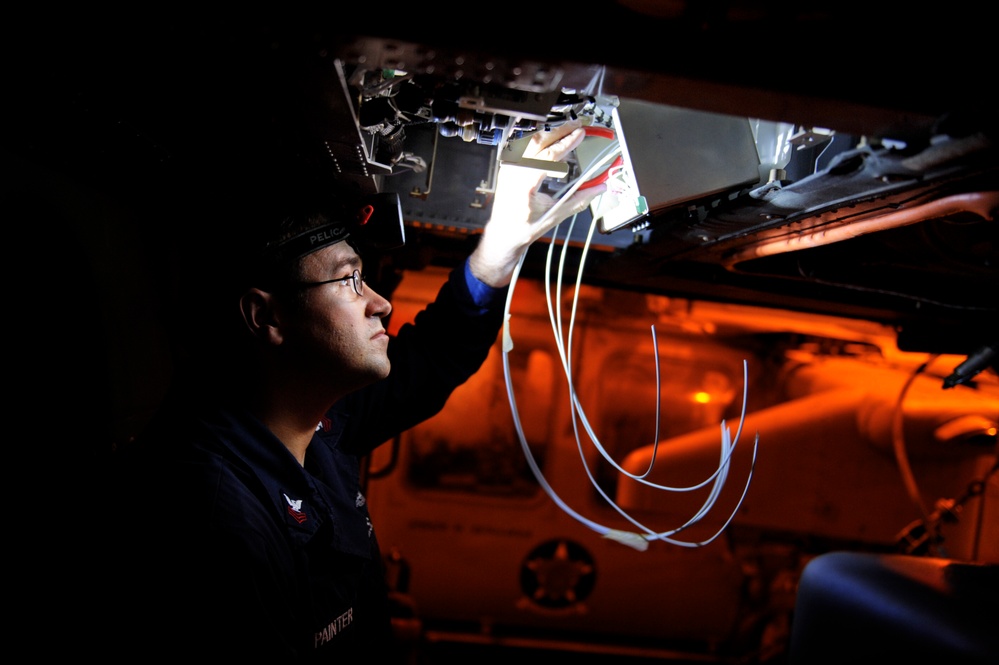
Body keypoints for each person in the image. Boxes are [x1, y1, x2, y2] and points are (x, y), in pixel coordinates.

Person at [103, 118, 605, 661]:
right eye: (348, 280)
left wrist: (501, 242)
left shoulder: (315, 426)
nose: (380, 303)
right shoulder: (218, 523)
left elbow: (435, 357)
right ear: (265, 316)